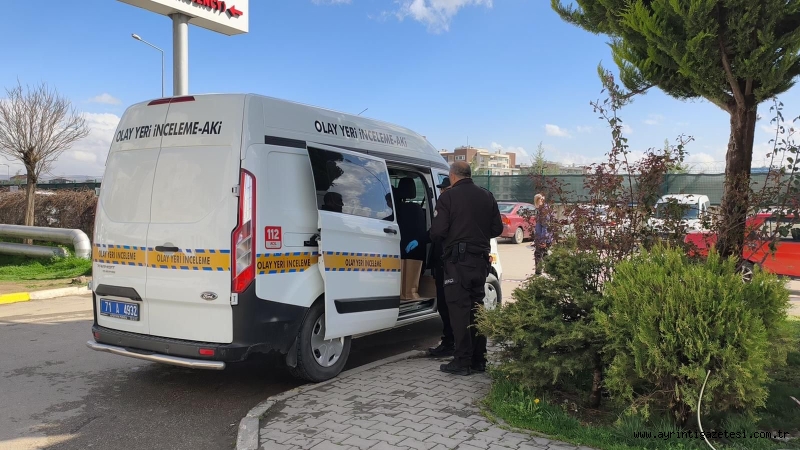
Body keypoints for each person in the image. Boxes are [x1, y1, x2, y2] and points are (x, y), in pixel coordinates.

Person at [429, 161, 503, 376]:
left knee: (459, 311)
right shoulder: (487, 196)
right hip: (480, 262)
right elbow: (497, 228)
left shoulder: (448, 197)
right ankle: (479, 360)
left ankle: (462, 362)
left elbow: (437, 232)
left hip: (457, 263)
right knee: (477, 309)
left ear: (453, 176)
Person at [405, 177, 454, 357]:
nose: (442, 192)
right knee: (446, 305)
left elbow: (437, 231)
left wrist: (421, 240)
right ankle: (452, 342)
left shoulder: (449, 205)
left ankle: (450, 344)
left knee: (446, 305)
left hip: (447, 262)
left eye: (444, 189)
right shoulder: (455, 204)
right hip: (446, 262)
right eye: (441, 189)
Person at [533, 193, 554, 275]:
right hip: (543, 238)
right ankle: (551, 269)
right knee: (544, 254)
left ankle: (539, 272)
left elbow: (545, 227)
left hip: (543, 238)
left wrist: (543, 241)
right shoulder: (542, 210)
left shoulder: (544, 212)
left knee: (538, 254)